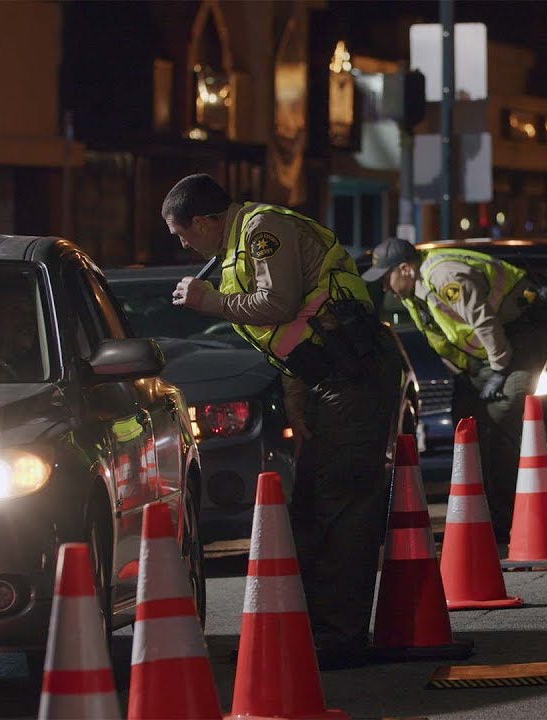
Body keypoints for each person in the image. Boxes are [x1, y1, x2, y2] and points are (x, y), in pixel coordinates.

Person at [164, 174, 403, 669]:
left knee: (341, 504)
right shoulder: (234, 251)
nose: (182, 244)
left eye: (182, 232)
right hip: (328, 380)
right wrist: (298, 409)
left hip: (354, 373)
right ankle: (316, 630)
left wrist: (205, 300)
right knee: (314, 505)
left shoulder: (260, 230)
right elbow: (290, 341)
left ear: (205, 221)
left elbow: (278, 305)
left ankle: (340, 638)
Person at [362, 238, 547, 542]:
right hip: (488, 356)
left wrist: (498, 370)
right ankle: (487, 518)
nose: (385, 287)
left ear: (405, 268)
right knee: (469, 426)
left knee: (499, 418)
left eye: (387, 278)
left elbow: (484, 322)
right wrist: (465, 375)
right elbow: (445, 339)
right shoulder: (414, 293)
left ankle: (509, 521)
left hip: (520, 337)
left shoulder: (444, 276)